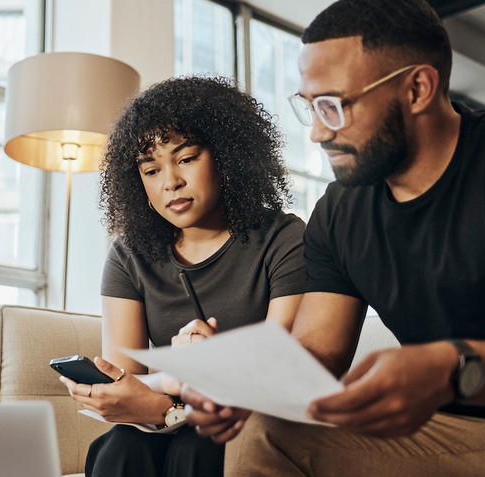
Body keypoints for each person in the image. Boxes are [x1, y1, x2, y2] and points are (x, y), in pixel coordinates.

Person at [182, 1, 485, 476]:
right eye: (309, 107)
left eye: (333, 106)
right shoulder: (339, 212)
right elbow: (318, 353)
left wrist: (448, 370)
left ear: (418, 89)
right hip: (441, 434)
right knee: (265, 426)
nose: (317, 133)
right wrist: (246, 387)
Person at [58, 76, 307, 477]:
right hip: (167, 420)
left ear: (227, 155)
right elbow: (127, 384)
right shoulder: (129, 255)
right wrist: (169, 394)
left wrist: (171, 389)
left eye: (187, 159)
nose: (170, 182)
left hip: (255, 417)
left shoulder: (284, 239)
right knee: (121, 446)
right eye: (151, 169)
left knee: (198, 447)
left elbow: (280, 369)